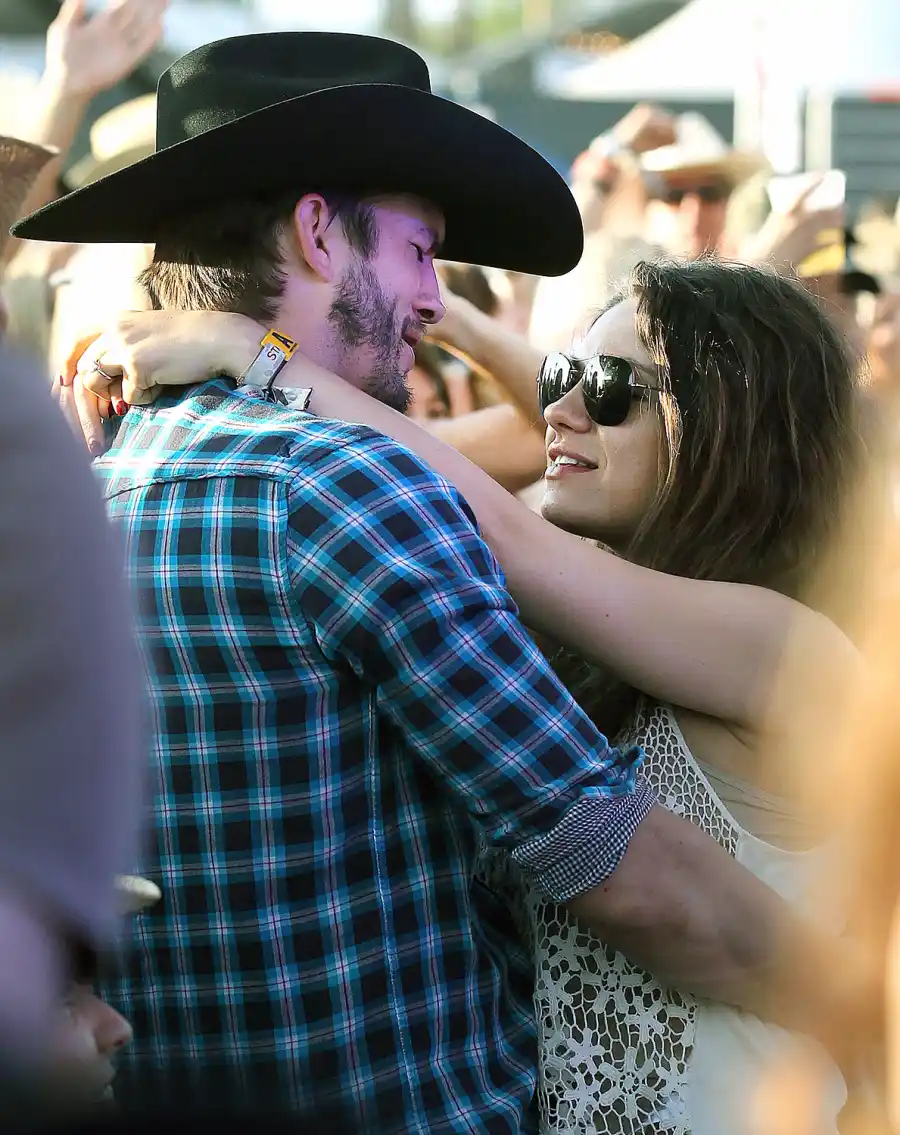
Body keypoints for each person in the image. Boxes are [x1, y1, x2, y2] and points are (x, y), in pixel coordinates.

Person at [26, 31, 878, 1130]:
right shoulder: (341, 494)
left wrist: (255, 353)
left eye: (606, 385)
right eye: (422, 252)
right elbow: (628, 872)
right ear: (320, 231)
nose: (433, 295)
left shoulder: (84, 486)